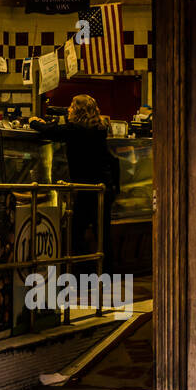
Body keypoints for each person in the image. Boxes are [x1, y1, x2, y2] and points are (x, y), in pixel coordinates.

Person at [29, 94, 120, 269]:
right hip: (102, 188)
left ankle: (79, 272)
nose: (69, 109)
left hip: (85, 189)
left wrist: (34, 121)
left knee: (75, 232)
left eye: (71, 107)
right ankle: (106, 275)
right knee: (103, 235)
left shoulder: (75, 131)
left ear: (78, 111)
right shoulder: (100, 129)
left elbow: (50, 132)